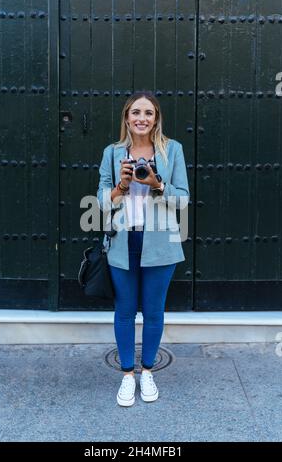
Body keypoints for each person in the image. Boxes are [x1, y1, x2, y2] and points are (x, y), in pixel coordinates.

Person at [97, 91, 190, 407]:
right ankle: (126, 375)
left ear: (156, 118)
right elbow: (99, 202)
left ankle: (147, 372)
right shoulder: (112, 153)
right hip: (123, 244)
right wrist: (121, 187)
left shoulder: (171, 150)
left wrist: (157, 184)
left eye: (148, 113)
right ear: (126, 117)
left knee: (153, 312)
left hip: (160, 245)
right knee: (124, 311)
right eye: (135, 112)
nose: (142, 118)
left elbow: (183, 199)